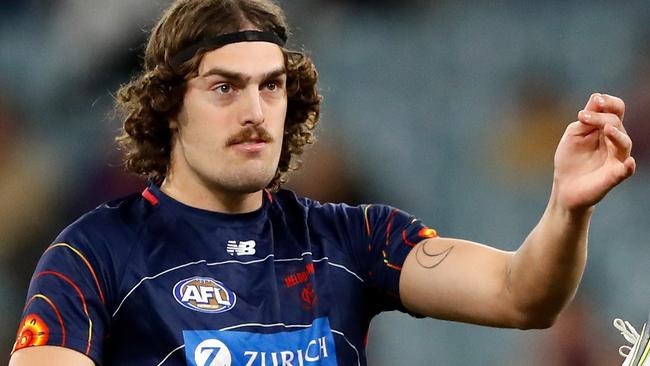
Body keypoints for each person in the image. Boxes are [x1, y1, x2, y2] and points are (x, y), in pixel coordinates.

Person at [8, 0, 636, 365]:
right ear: (170, 108)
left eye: (271, 86)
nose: (255, 111)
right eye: (225, 87)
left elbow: (521, 294)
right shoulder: (90, 256)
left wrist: (567, 206)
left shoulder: (353, 238)